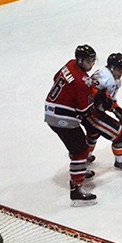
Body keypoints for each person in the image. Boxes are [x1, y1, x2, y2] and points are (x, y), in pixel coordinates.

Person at [44, 45, 98, 205]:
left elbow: (56, 78)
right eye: (89, 60)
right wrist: (95, 94)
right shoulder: (82, 82)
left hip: (50, 109)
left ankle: (79, 171)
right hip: (61, 118)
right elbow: (84, 109)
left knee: (78, 146)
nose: (92, 64)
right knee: (80, 150)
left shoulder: (70, 64)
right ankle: (76, 190)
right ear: (81, 60)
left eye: (94, 59)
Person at [84, 52, 122, 174]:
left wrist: (120, 112)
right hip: (89, 111)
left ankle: (84, 158)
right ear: (112, 68)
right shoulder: (104, 77)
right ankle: (120, 162)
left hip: (93, 111)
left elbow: (109, 101)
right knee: (119, 134)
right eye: (119, 69)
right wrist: (99, 97)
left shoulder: (115, 80)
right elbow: (89, 90)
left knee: (93, 133)